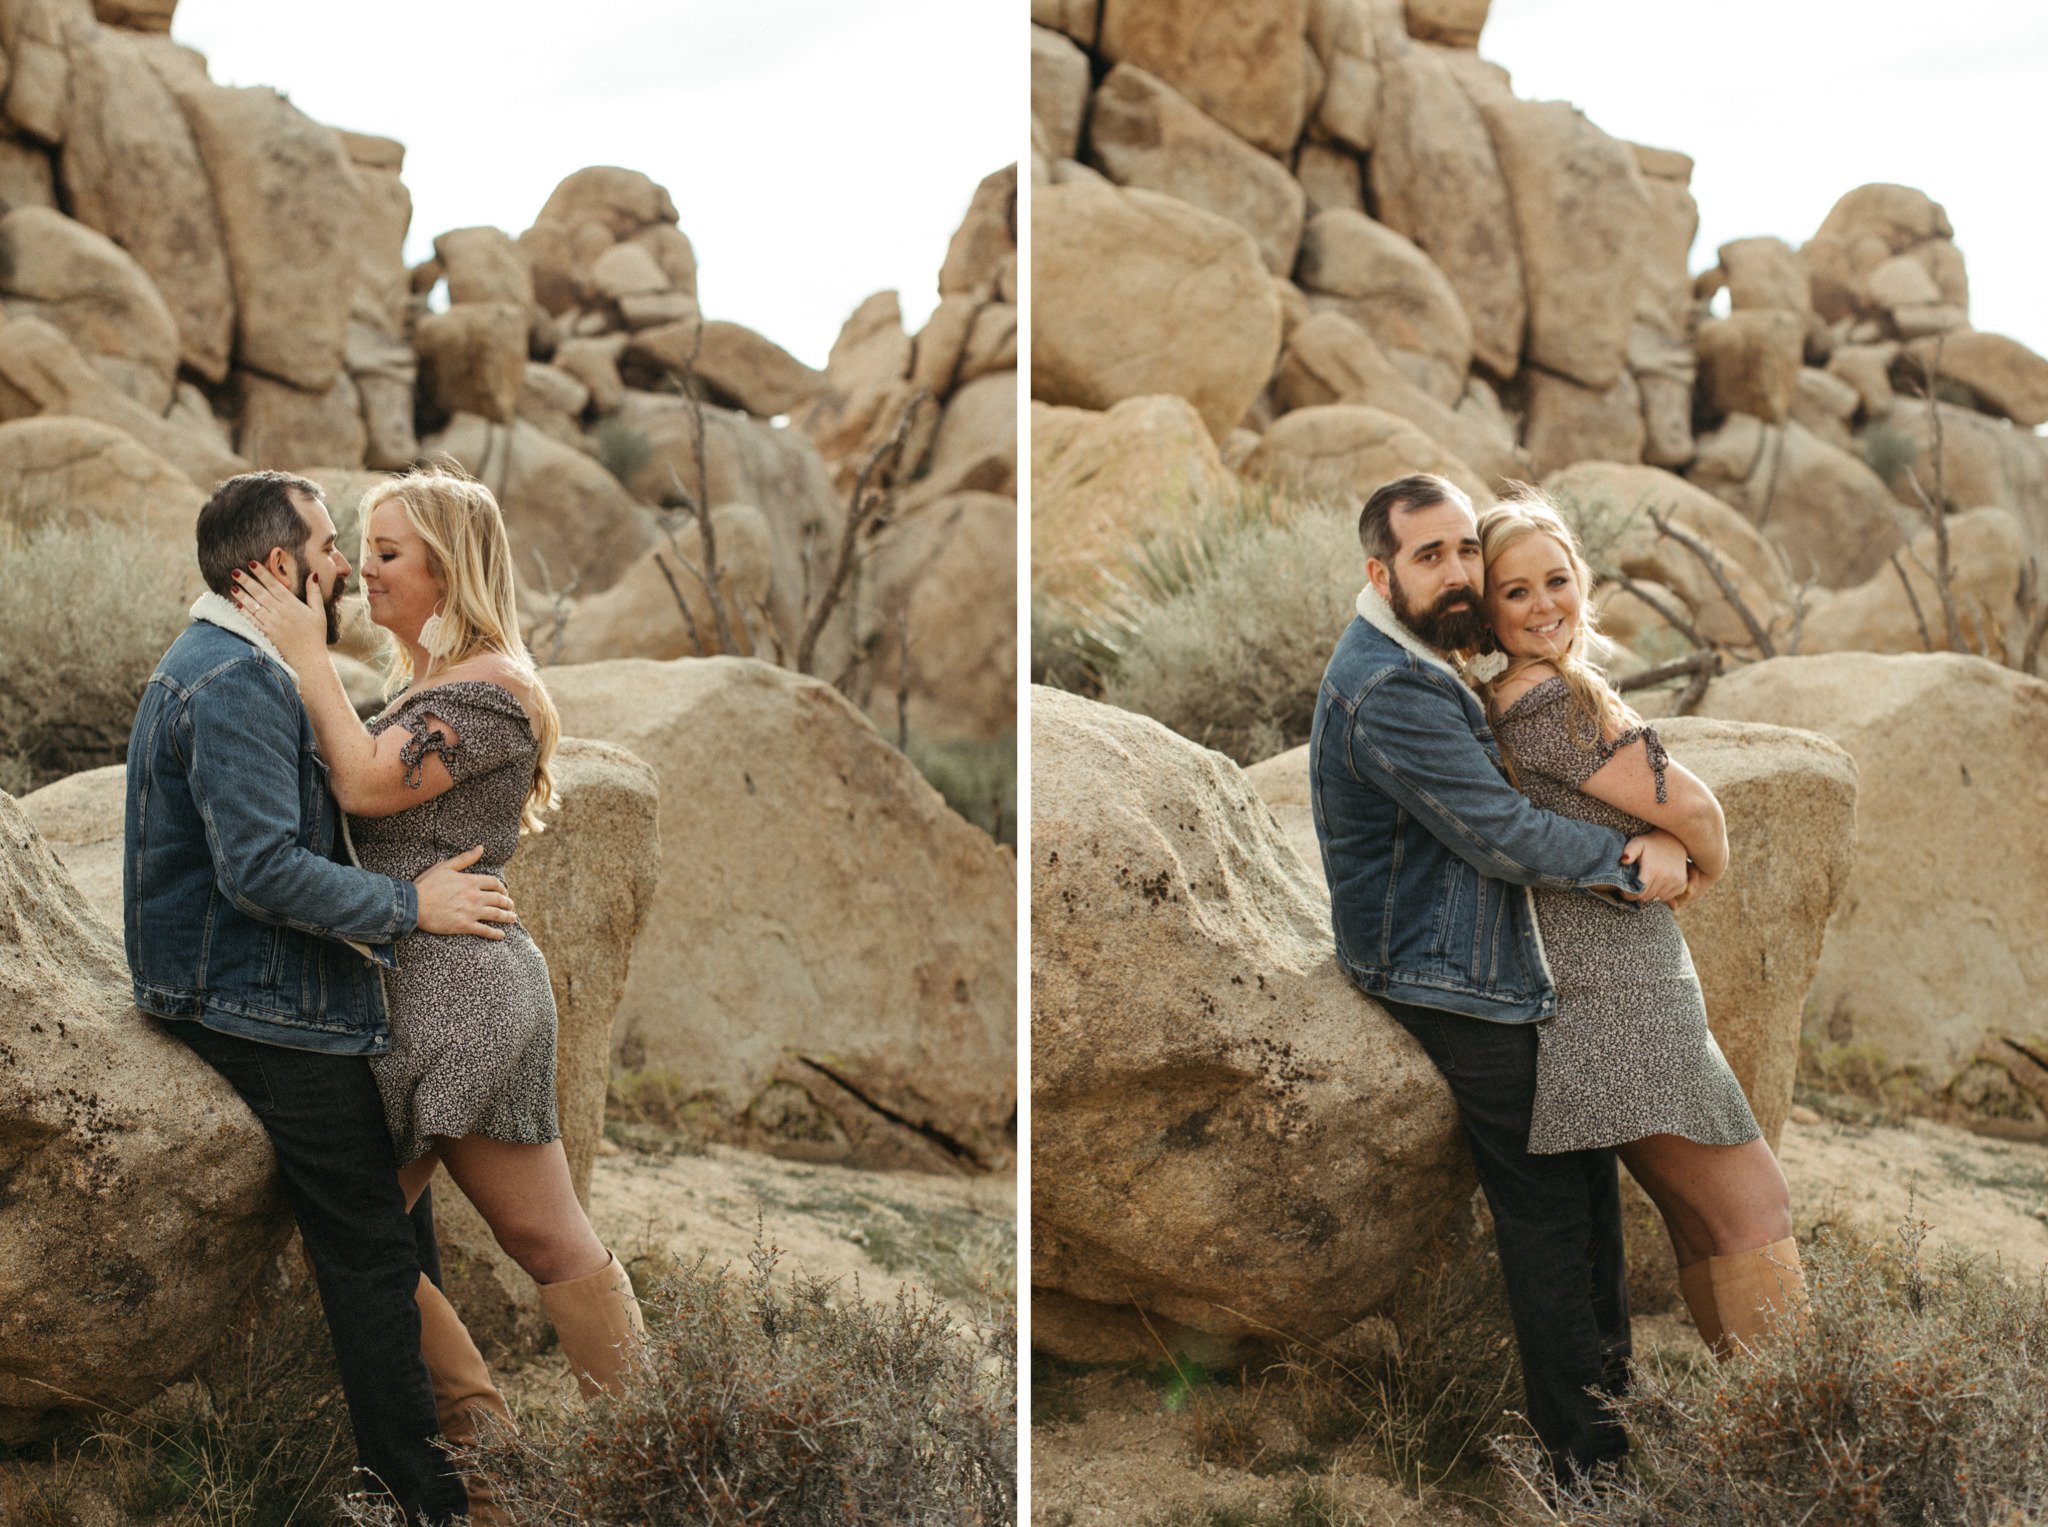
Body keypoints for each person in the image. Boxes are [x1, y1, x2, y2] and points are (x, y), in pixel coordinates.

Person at [124, 470, 517, 1524]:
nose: (344, 563)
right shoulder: (236, 681)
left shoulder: (249, 663)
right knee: (369, 1252)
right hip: (244, 995)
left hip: (273, 982)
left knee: (402, 1231)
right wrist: (410, 905)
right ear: (275, 566)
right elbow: (258, 871)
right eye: (332, 543)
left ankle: (463, 1459)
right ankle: (430, 1497)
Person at [230, 466, 645, 1423]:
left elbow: (371, 786)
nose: (362, 572)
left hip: (458, 997)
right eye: (361, 551)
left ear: (449, 571)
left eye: (386, 553)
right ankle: (647, 1450)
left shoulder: (490, 686)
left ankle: (533, 1464)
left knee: (362, 1229)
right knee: (546, 1238)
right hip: (444, 986)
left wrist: (305, 651)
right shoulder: (429, 680)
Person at [1309, 472, 1694, 1481]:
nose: (1458, 573)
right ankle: (1586, 1466)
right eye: (1428, 556)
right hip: (1441, 970)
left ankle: (1613, 1407)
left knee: (1588, 1182)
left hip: (1476, 950)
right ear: (1378, 571)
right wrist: (1635, 861)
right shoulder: (1389, 684)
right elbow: (1497, 834)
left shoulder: (1423, 651)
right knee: (1546, 1212)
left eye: (1464, 551)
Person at [1472, 490, 1801, 1359]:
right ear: (1488, 609)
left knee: (1705, 1224)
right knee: (1756, 1210)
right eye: (1516, 591)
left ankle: (1762, 1437)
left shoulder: (1525, 697)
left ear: (1582, 579)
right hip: (1623, 1004)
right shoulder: (1545, 699)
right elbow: (1700, 808)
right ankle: (1805, 1436)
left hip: (1610, 996)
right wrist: (1696, 859)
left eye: (1557, 579)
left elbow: (1650, 812)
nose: (1545, 605)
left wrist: (1660, 836)